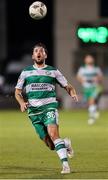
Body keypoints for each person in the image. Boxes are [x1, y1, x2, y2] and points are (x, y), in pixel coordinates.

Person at [15, 42, 78, 174]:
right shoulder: (26, 72)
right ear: (33, 56)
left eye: (41, 51)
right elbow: (17, 92)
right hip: (33, 112)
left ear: (45, 55)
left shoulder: (53, 71)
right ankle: (65, 143)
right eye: (36, 51)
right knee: (50, 145)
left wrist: (72, 93)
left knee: (54, 134)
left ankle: (65, 165)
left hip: (49, 107)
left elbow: (67, 85)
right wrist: (21, 102)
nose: (39, 53)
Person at [76, 54, 103, 125]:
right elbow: (78, 77)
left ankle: (91, 118)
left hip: (95, 87)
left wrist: (97, 79)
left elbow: (100, 77)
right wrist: (82, 81)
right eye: (88, 58)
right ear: (85, 60)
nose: (89, 60)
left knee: (92, 100)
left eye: (90, 58)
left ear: (93, 60)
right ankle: (95, 110)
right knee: (90, 103)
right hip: (86, 87)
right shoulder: (82, 69)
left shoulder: (96, 68)